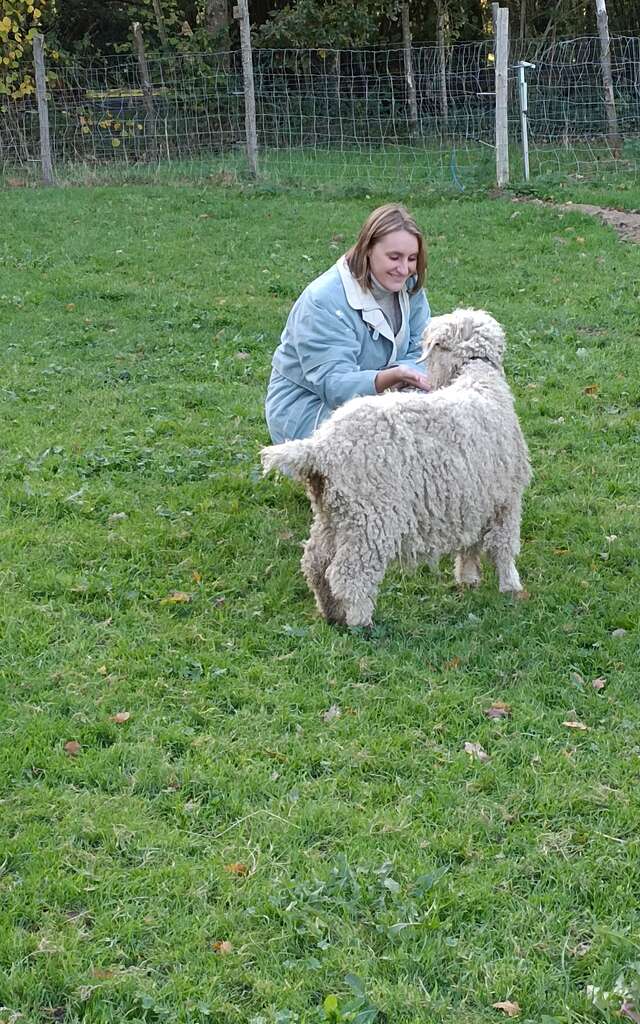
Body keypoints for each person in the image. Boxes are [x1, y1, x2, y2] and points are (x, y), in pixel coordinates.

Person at [265, 203, 431, 443]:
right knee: (384, 444)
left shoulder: (410, 287)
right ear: (368, 250)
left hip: (385, 396)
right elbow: (334, 385)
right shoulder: (323, 300)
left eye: (412, 258)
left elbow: (423, 352)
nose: (404, 269)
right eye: (394, 257)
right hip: (311, 408)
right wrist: (393, 378)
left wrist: (406, 382)